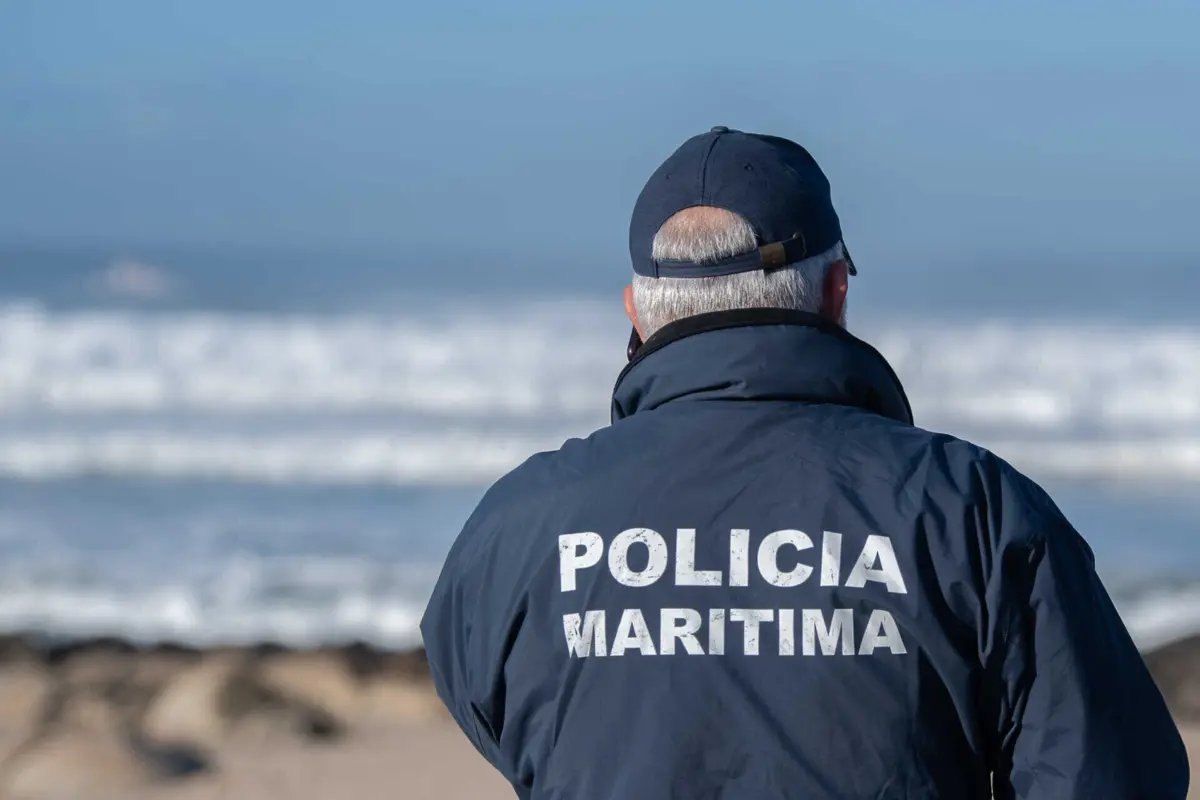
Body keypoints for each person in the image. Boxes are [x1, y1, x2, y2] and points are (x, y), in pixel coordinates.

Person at [420, 126, 1190, 799]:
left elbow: (497, 716)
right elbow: (1106, 772)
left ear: (636, 309)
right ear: (834, 288)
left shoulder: (515, 529)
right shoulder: (973, 512)